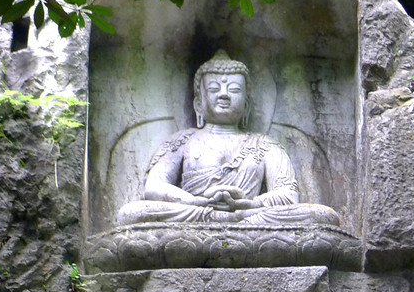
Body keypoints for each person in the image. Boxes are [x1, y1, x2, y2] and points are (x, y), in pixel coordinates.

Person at [117, 51, 340, 227]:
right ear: (198, 105)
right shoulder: (183, 141)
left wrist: (251, 204)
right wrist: (195, 201)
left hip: (249, 216)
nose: (224, 94)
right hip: (195, 213)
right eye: (214, 89)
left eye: (233, 89)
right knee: (132, 213)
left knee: (321, 216)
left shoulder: (266, 145)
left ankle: (234, 224)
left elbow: (289, 196)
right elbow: (154, 186)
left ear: (247, 107)